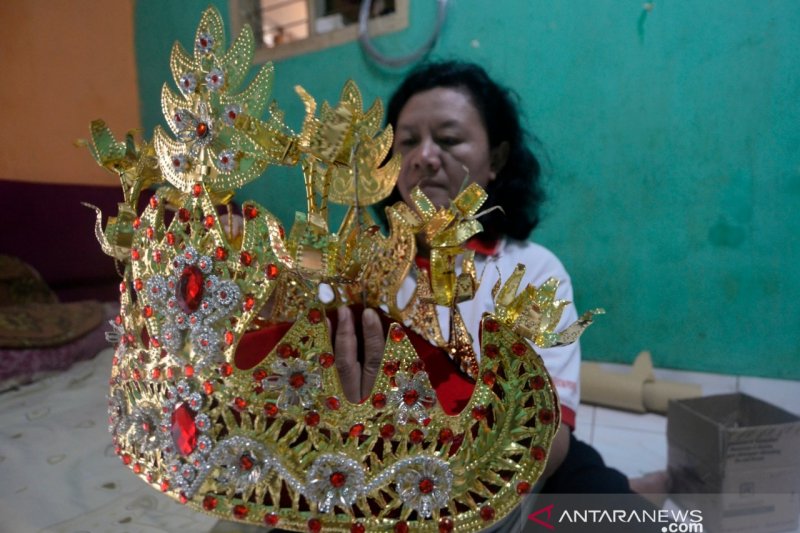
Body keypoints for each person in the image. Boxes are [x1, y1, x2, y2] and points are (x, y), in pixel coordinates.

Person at [333, 60, 649, 498]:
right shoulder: (359, 271)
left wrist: (460, 499)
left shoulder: (533, 272)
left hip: (516, 477)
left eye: (448, 139)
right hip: (382, 477)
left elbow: (548, 441)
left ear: (495, 159)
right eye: (407, 142)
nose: (424, 157)